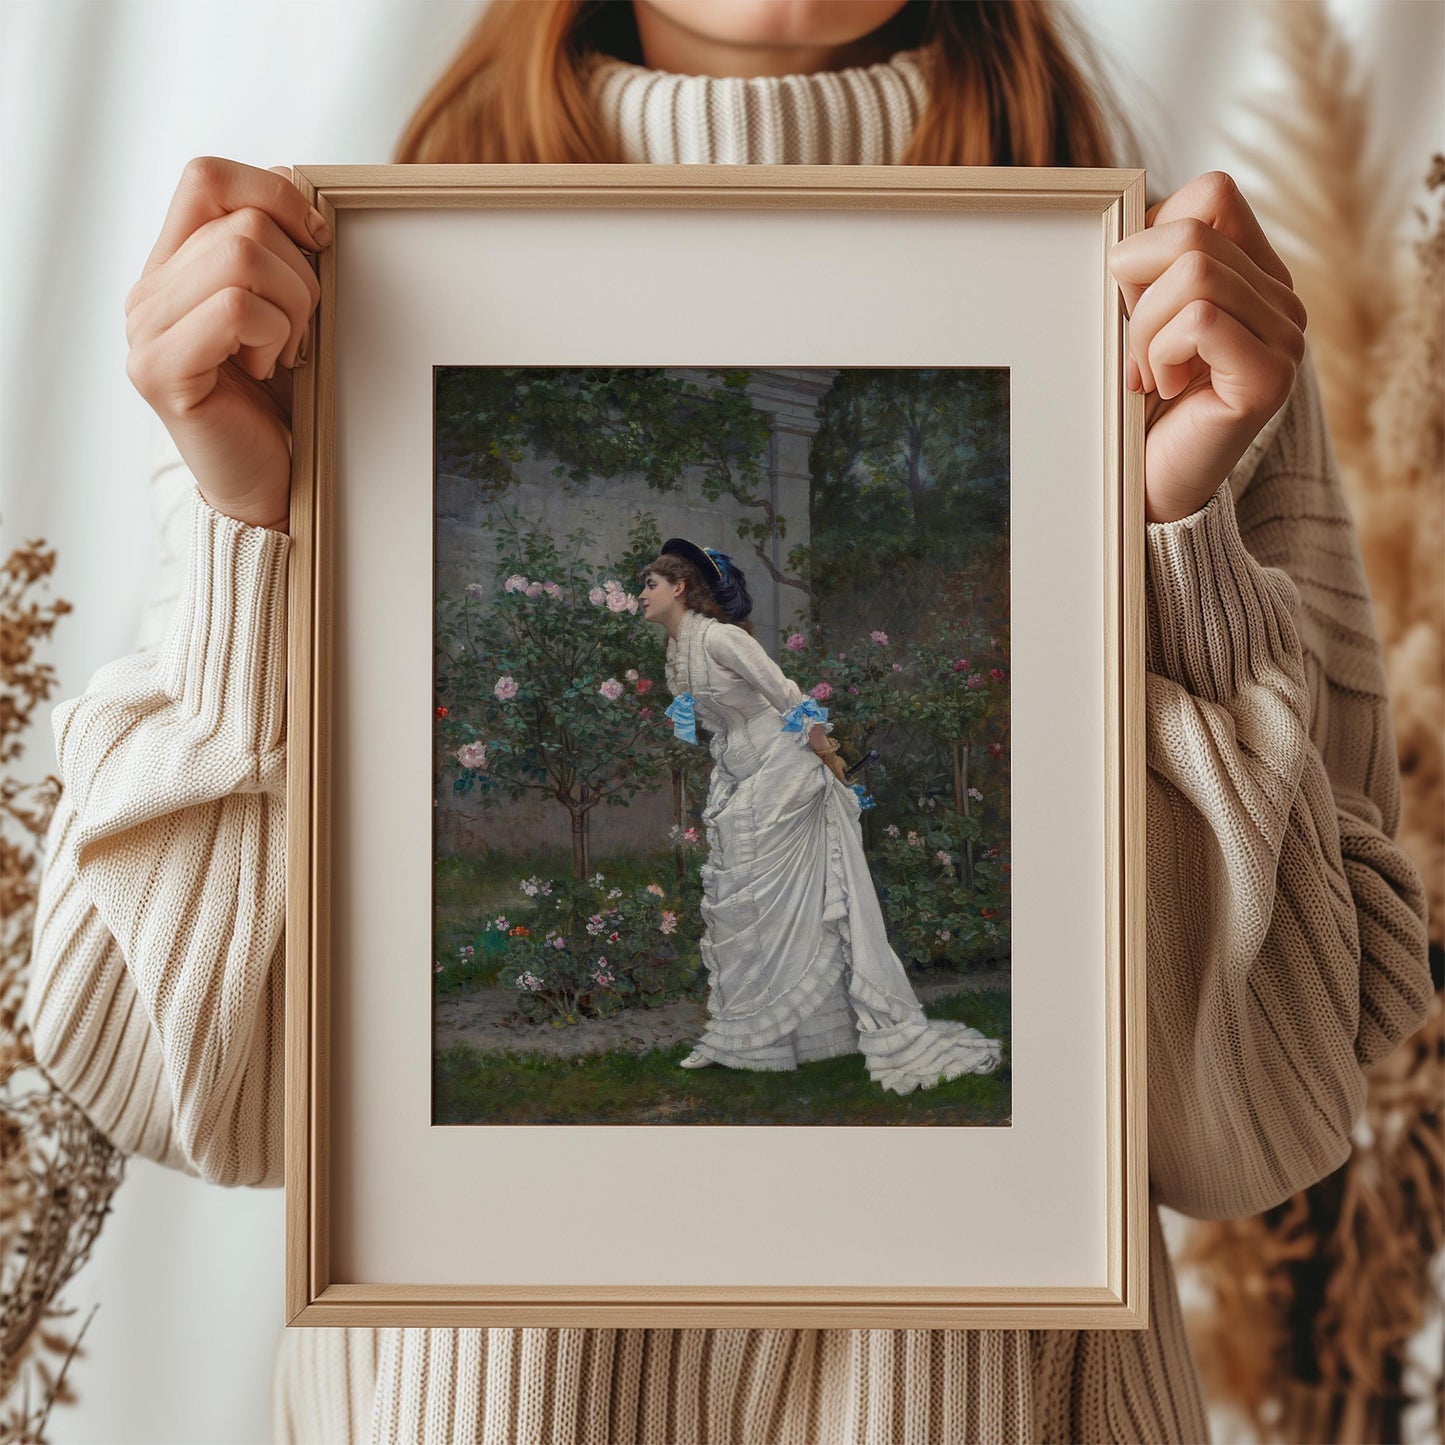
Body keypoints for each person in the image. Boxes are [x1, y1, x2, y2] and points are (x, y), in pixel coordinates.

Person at [22, 0, 1433, 1440]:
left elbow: (1267, 1114)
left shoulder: (1179, 333)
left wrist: (1172, 532)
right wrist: (257, 535)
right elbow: (186, 1091)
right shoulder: (324, 319)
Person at [640, 538, 1004, 1088]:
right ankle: (747, 1040)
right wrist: (696, 739)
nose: (641, 594)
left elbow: (784, 692)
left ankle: (776, 1037)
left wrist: (828, 757)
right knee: (746, 907)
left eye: (650, 585)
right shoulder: (676, 651)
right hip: (739, 774)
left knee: (773, 906)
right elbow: (695, 715)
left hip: (782, 769)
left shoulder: (720, 639)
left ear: (680, 588)